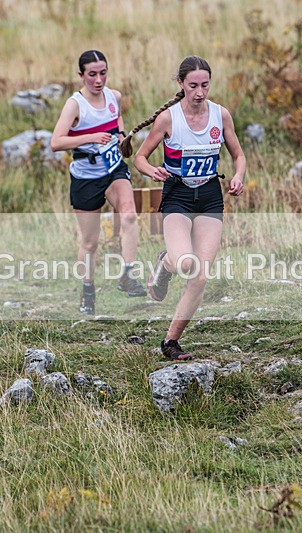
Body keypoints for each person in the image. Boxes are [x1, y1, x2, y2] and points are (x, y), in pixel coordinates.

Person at [124, 55, 246, 361]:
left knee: (200, 276)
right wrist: (151, 171)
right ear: (181, 84)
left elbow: (239, 156)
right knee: (184, 263)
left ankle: (171, 342)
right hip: (177, 195)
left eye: (205, 84)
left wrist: (239, 177)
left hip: (209, 196)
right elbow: (140, 156)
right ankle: (165, 264)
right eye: (193, 85)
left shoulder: (221, 115)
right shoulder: (168, 118)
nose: (200, 92)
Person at [50, 49, 146, 315]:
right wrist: (90, 138)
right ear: (81, 75)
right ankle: (88, 289)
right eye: (92, 74)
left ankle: (127, 276)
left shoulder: (114, 97)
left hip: (113, 169)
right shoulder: (75, 105)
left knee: (128, 215)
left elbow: (117, 120)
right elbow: (56, 142)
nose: (98, 79)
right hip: (85, 177)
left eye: (103, 73)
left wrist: (123, 136)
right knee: (90, 242)